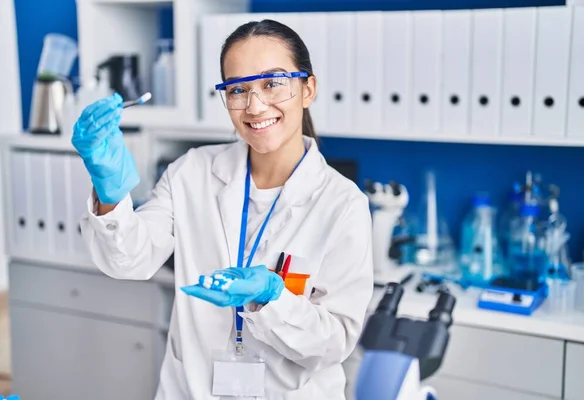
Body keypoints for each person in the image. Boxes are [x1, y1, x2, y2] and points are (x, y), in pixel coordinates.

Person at [72, 18, 374, 399]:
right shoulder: (192, 172)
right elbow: (128, 259)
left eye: (272, 83)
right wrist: (108, 189)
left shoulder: (342, 205)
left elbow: (334, 343)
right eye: (238, 89)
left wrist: (272, 297)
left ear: (307, 88)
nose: (255, 105)